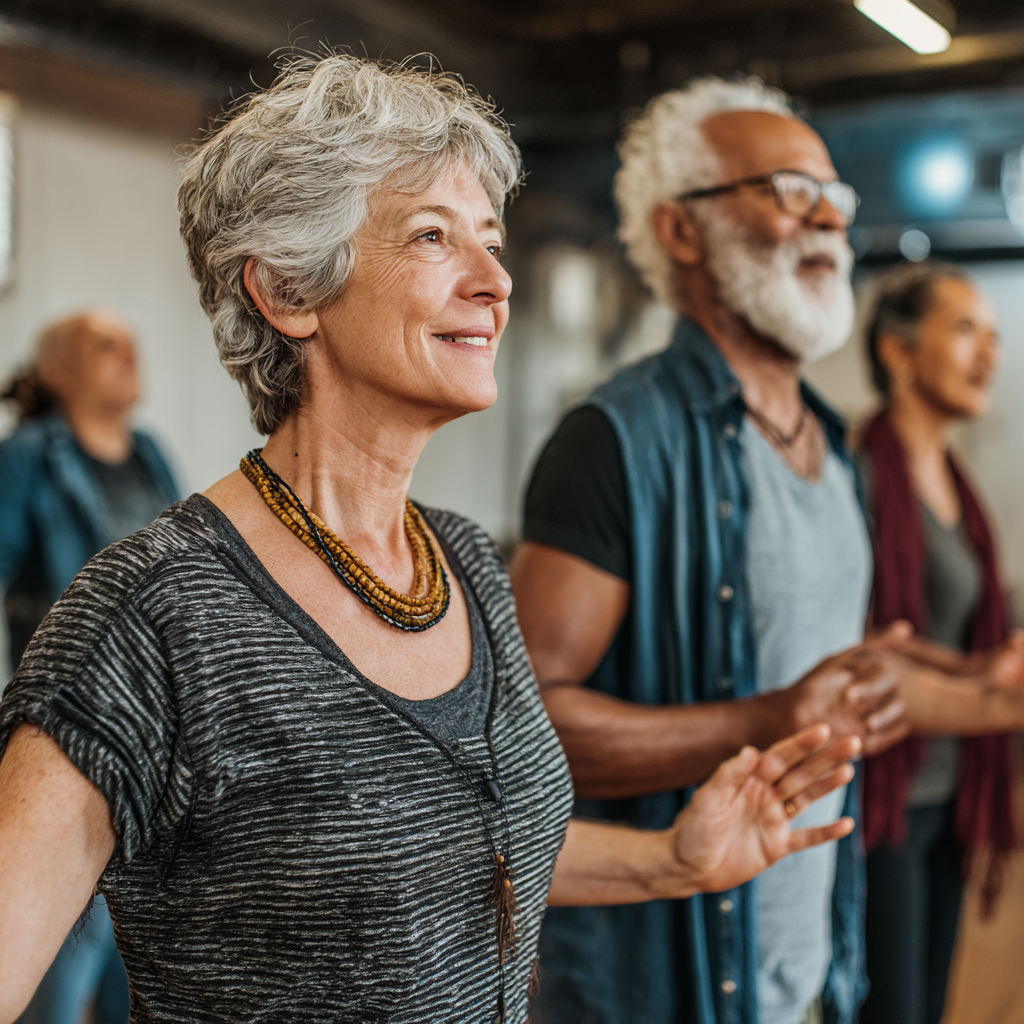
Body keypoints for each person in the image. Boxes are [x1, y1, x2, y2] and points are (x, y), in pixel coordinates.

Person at [0, 54, 862, 1024]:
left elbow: (466, 849)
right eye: (432, 236)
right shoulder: (152, 616)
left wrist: (670, 861)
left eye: (490, 241)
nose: (495, 281)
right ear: (287, 291)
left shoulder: (463, 563)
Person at [511, 78, 1024, 1024]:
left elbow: (831, 665)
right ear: (681, 230)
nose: (829, 219)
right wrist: (771, 717)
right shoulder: (615, 440)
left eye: (835, 196)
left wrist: (972, 678)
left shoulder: (835, 451)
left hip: (809, 961)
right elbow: (526, 726)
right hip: (663, 984)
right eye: (790, 192)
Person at [0, 311, 178, 1024]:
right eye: (105, 345)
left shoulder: (150, 453)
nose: (127, 354)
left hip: (159, 751)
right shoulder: (29, 455)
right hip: (76, 743)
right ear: (59, 372)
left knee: (134, 986)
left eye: (131, 343)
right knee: (57, 979)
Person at [856, 262, 1020, 1024]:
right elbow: (859, 642)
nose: (989, 353)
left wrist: (989, 666)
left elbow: (962, 633)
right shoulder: (861, 475)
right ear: (897, 352)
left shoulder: (958, 482)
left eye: (994, 336)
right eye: (964, 330)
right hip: (886, 793)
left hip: (952, 784)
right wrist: (983, 677)